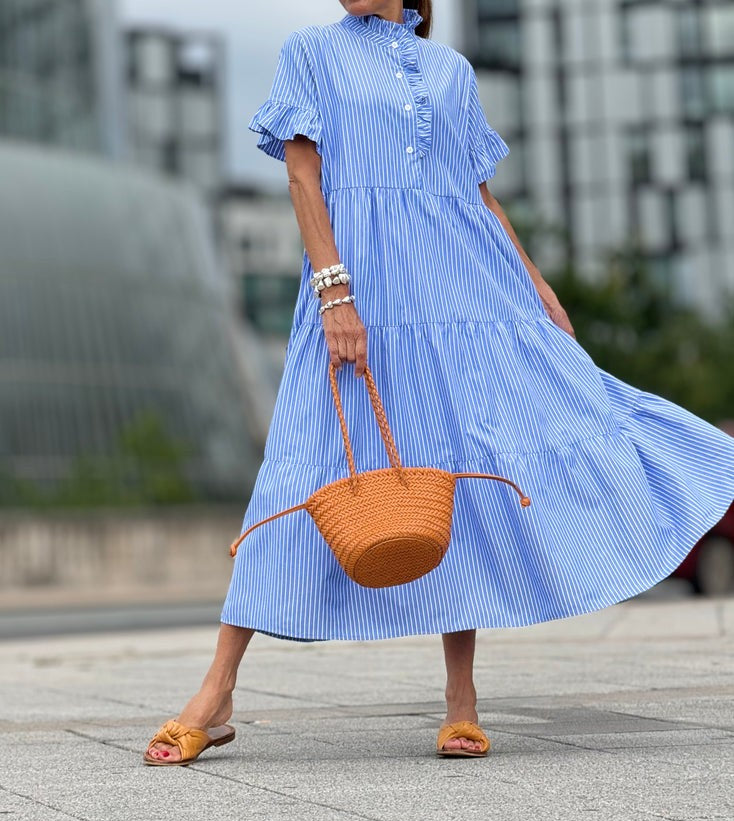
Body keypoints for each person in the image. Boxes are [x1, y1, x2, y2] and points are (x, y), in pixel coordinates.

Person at [143, 0, 734, 765]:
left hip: (465, 292)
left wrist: (537, 286)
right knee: (298, 466)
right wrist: (334, 291)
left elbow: (478, 197)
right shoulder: (310, 52)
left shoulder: (450, 70)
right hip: (361, 293)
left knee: (461, 469)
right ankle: (218, 690)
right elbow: (301, 172)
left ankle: (462, 699)